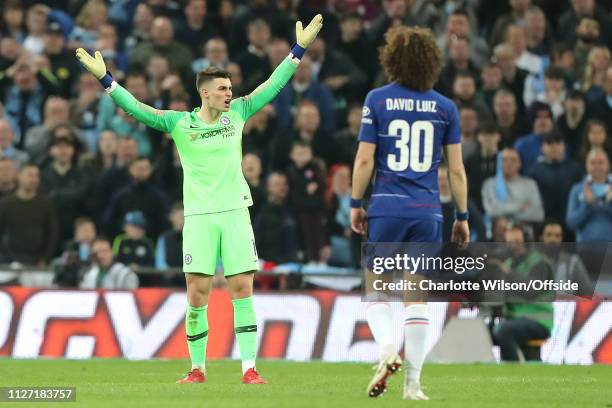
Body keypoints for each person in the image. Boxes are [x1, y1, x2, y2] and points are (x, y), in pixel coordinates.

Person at [76, 13, 323, 384]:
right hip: (200, 217)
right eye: (223, 89)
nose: (229, 93)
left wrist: (298, 49)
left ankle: (250, 369)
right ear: (205, 92)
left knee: (242, 289)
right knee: (198, 294)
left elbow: (272, 86)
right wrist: (106, 79)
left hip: (236, 212)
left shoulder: (238, 113)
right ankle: (196, 369)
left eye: (230, 88)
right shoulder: (179, 123)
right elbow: (137, 109)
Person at [350, 26, 469, 401]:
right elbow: (456, 171)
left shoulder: (377, 100)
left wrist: (355, 203)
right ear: (432, 62)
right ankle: (413, 385)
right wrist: (462, 216)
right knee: (417, 299)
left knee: (378, 290)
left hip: (386, 206)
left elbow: (366, 158)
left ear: (392, 59)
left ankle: (387, 349)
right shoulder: (446, 107)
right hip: (427, 212)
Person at [491, 224, 553, 361]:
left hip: (539, 321)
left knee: (503, 330)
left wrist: (508, 274)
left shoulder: (540, 263)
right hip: (514, 319)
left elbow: (530, 290)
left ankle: (513, 373)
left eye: (517, 242)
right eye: (509, 243)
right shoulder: (507, 264)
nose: (513, 246)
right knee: (483, 332)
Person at [566, 148, 612, 242]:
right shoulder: (577, 189)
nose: (597, 166)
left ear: (608, 165)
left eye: (601, 162)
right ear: (587, 165)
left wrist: (609, 204)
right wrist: (587, 204)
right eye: (593, 162)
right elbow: (571, 223)